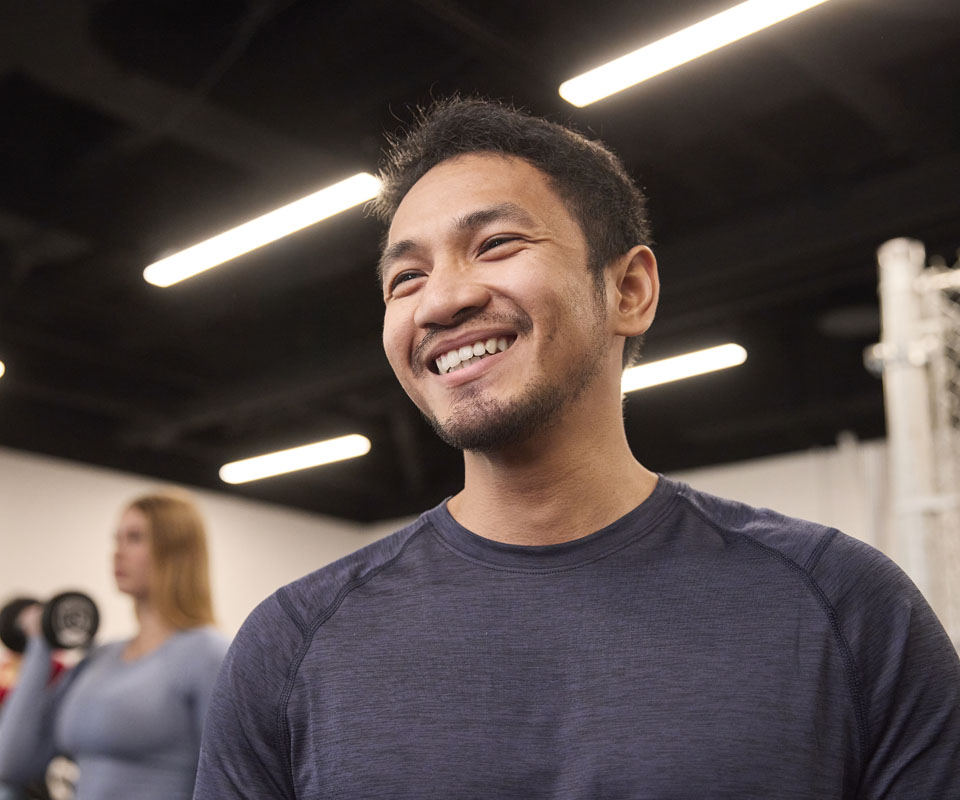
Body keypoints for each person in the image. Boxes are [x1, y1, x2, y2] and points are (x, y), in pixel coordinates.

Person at [194, 99, 960, 798]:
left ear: (629, 291)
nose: (442, 299)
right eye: (405, 278)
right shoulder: (291, 645)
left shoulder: (848, 608)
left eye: (495, 243)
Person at [0, 492, 229, 799]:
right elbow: (10, 765)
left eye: (134, 538)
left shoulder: (208, 654)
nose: (117, 553)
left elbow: (232, 782)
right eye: (116, 539)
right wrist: (42, 642)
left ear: (175, 551)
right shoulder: (100, 657)